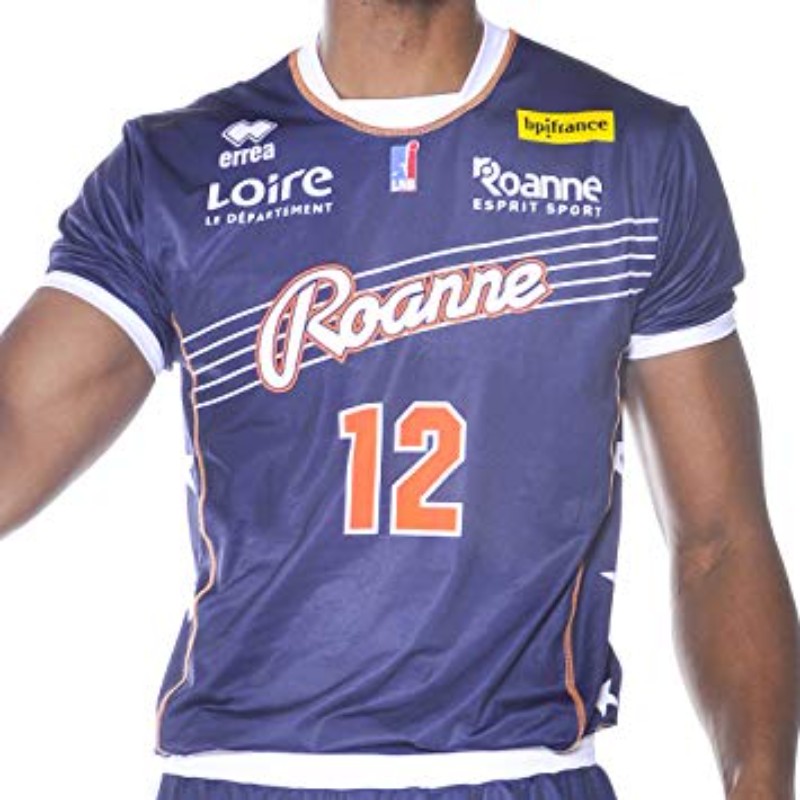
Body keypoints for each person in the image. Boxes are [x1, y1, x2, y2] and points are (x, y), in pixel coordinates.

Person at [0, 0, 798, 798]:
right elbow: (16, 436)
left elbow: (719, 536)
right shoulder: (174, 171)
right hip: (242, 772)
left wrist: (760, 782)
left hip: (518, 770)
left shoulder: (633, 153)